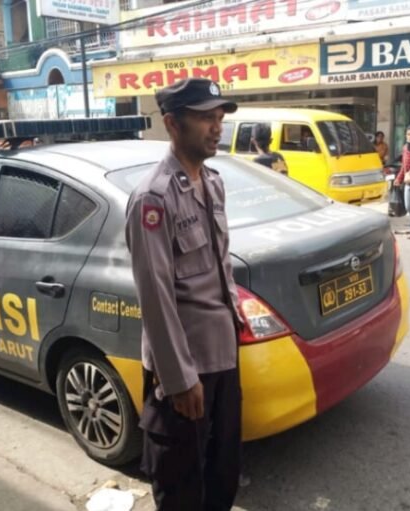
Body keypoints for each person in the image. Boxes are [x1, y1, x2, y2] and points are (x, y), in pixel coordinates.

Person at [125, 78, 243, 510]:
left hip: (223, 357)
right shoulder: (152, 199)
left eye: (219, 118)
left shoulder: (212, 183)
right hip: (186, 369)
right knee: (181, 486)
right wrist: (178, 378)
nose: (216, 127)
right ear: (172, 123)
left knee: (222, 473)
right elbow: (155, 296)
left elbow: (220, 263)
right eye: (204, 118)